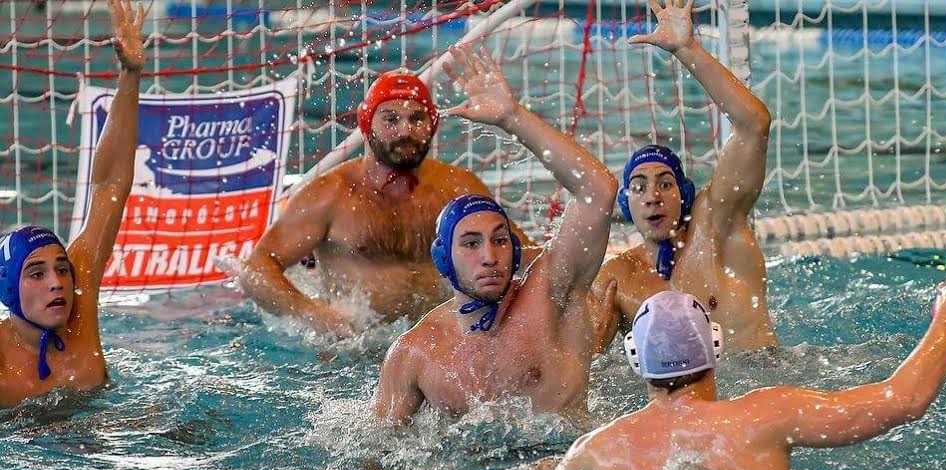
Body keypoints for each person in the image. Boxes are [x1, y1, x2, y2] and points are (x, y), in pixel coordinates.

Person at [558, 264, 946, 470]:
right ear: (714, 345)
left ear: (635, 359)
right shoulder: (765, 415)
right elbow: (903, 400)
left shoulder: (593, 453)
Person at [372, 45, 618, 425]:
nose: (489, 256)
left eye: (500, 240)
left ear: (515, 250)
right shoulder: (414, 354)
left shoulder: (551, 296)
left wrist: (512, 117)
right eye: (471, 244)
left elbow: (598, 190)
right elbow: (377, 449)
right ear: (444, 260)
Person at [238, 69, 534, 336]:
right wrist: (314, 315)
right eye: (391, 119)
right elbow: (256, 269)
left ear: (432, 124)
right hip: (354, 352)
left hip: (436, 343)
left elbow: (524, 257)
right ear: (367, 124)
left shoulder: (457, 188)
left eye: (417, 119)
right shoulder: (330, 194)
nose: (405, 131)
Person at [589, 0, 777, 353]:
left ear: (684, 194)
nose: (653, 197)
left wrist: (687, 49)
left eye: (665, 184)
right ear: (627, 204)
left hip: (762, 375)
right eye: (639, 187)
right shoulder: (618, 278)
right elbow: (587, 368)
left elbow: (755, 124)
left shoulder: (716, 227)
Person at [0, 0, 145, 408]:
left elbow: (110, 185)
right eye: (36, 273)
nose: (57, 282)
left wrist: (131, 75)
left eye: (62, 268)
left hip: (107, 431)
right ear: (8, 288)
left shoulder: (80, 296)